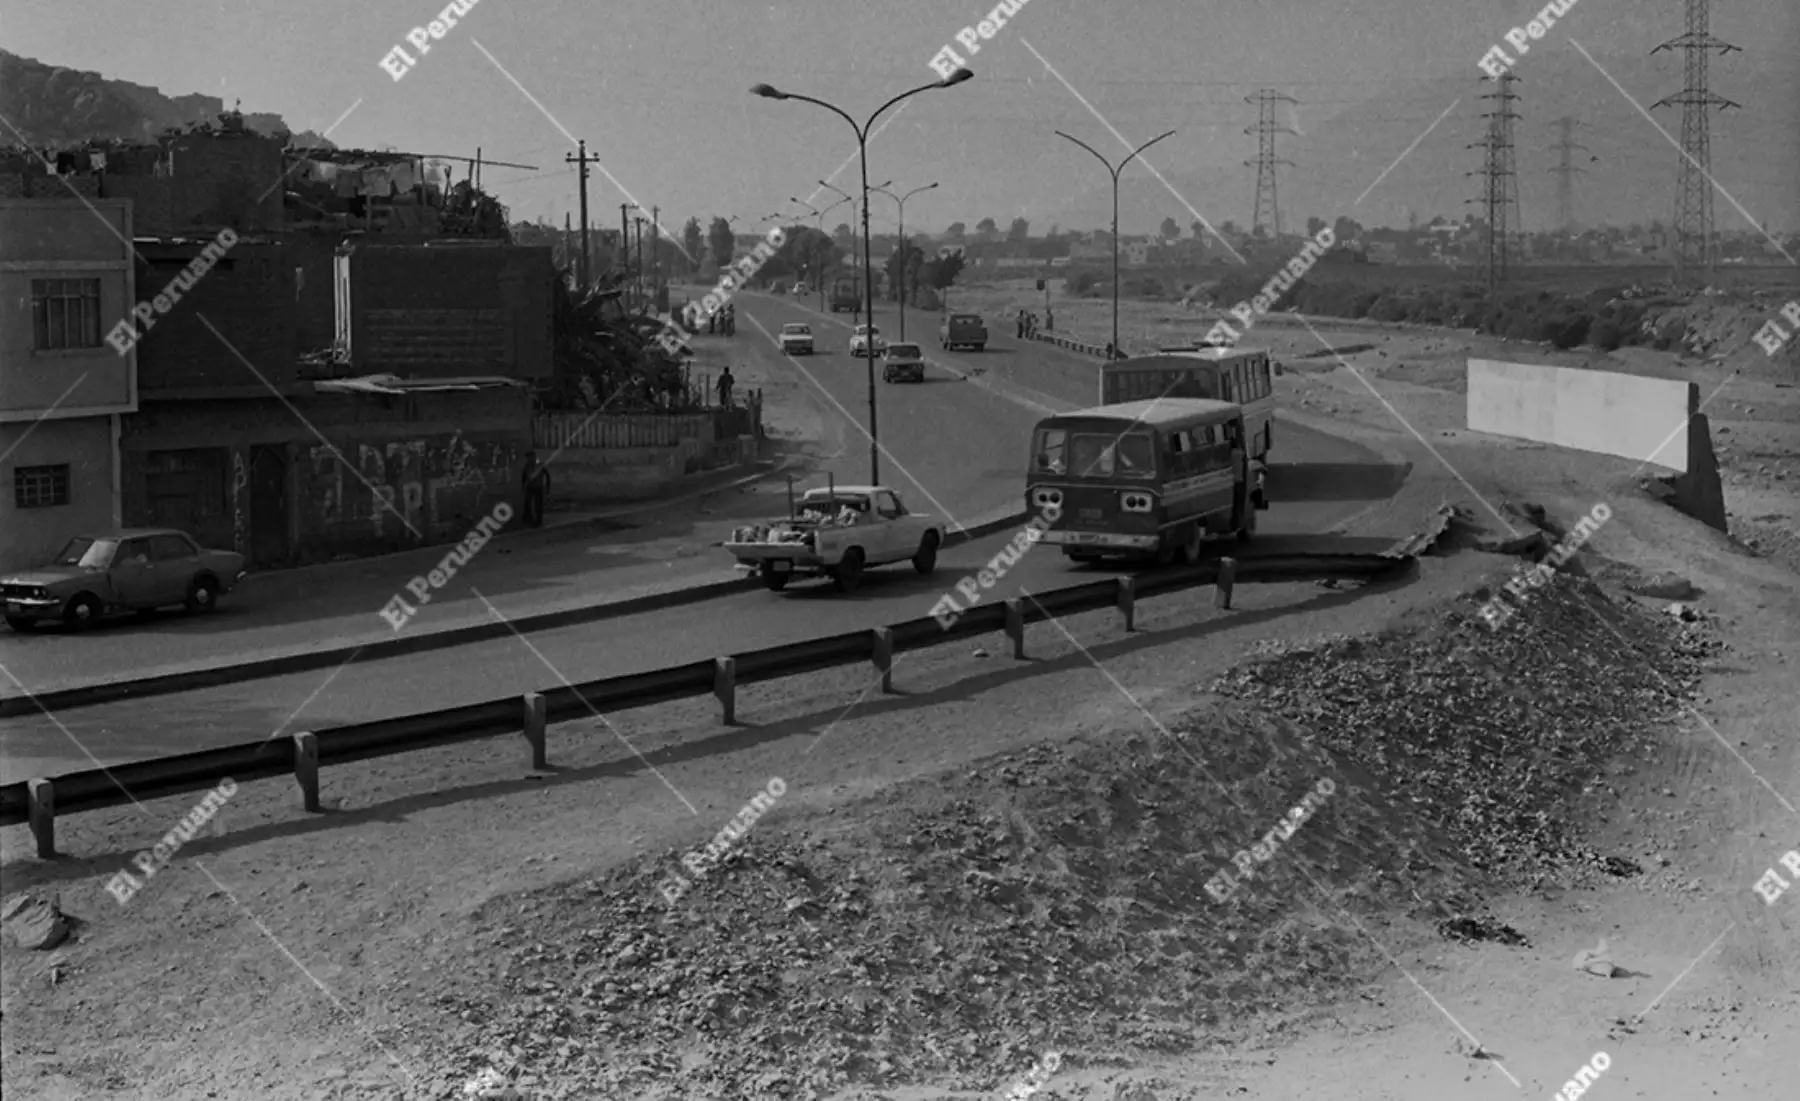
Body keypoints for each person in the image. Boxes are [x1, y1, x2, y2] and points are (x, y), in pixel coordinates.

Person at [521, 451, 550, 527]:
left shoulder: (539, 465)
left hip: (538, 487)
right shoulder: (527, 466)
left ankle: (538, 521)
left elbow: (547, 475)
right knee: (528, 503)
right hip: (531, 487)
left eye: (530, 457)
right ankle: (530, 519)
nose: (528, 459)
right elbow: (524, 477)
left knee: (538, 505)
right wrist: (523, 486)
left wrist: (547, 486)